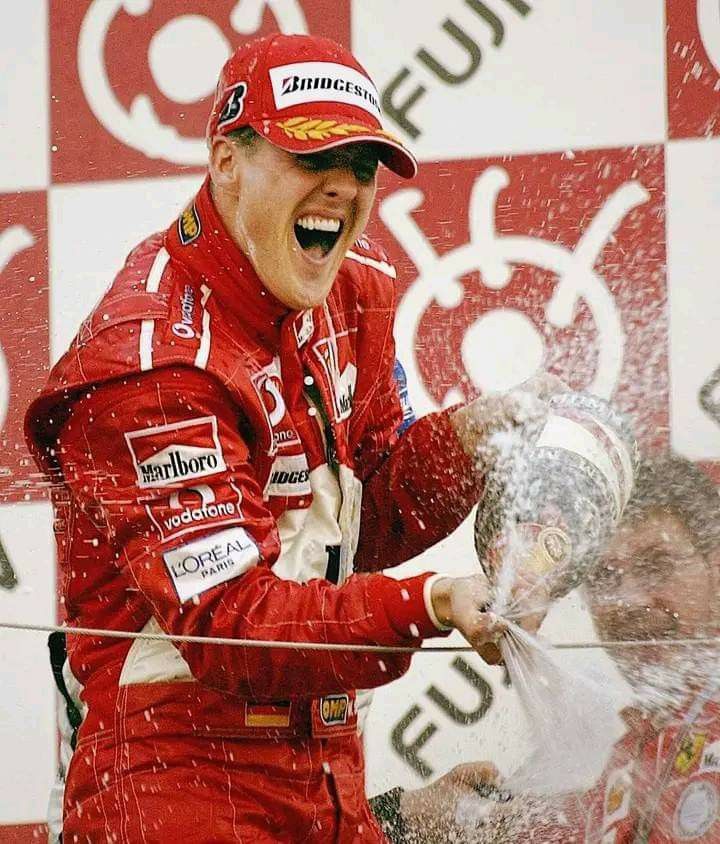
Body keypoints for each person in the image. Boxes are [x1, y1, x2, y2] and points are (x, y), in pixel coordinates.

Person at [26, 33, 559, 843]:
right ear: (225, 162)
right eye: (313, 157)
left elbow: (366, 521)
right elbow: (233, 629)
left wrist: (468, 441)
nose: (342, 186)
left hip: (326, 775)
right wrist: (429, 603)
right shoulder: (153, 363)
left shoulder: (354, 293)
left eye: (362, 164)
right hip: (177, 787)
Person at [446, 455, 720, 843]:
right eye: (605, 577)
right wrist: (481, 819)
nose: (629, 599)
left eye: (655, 565)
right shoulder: (638, 745)